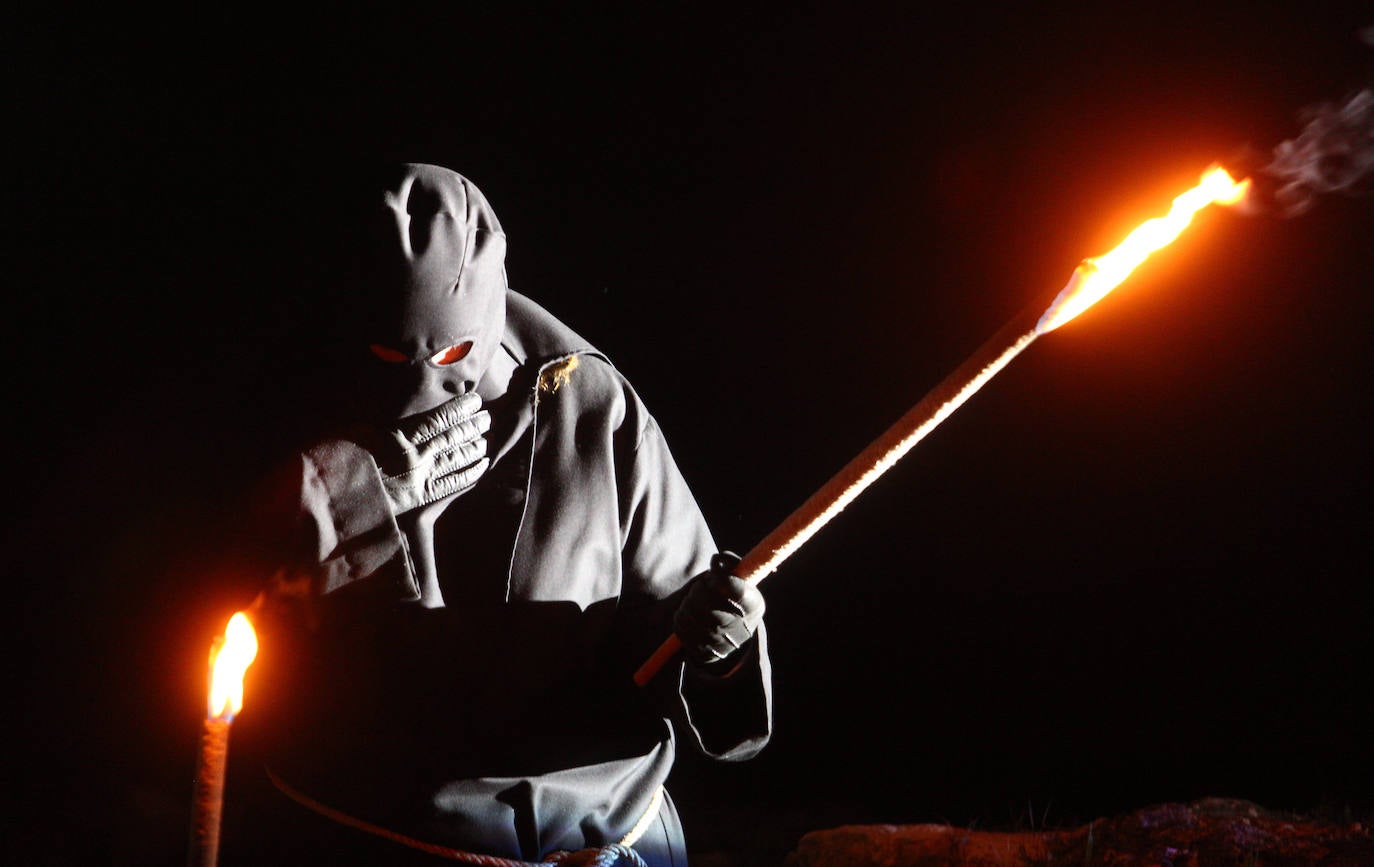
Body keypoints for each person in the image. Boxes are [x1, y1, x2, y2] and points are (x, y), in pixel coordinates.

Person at [233, 163, 771, 866]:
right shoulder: (271, 406)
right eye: (388, 355)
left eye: (452, 354)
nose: (420, 384)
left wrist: (721, 650)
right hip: (368, 831)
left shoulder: (588, 402)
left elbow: (675, 617)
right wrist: (341, 498)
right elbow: (212, 642)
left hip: (600, 826)